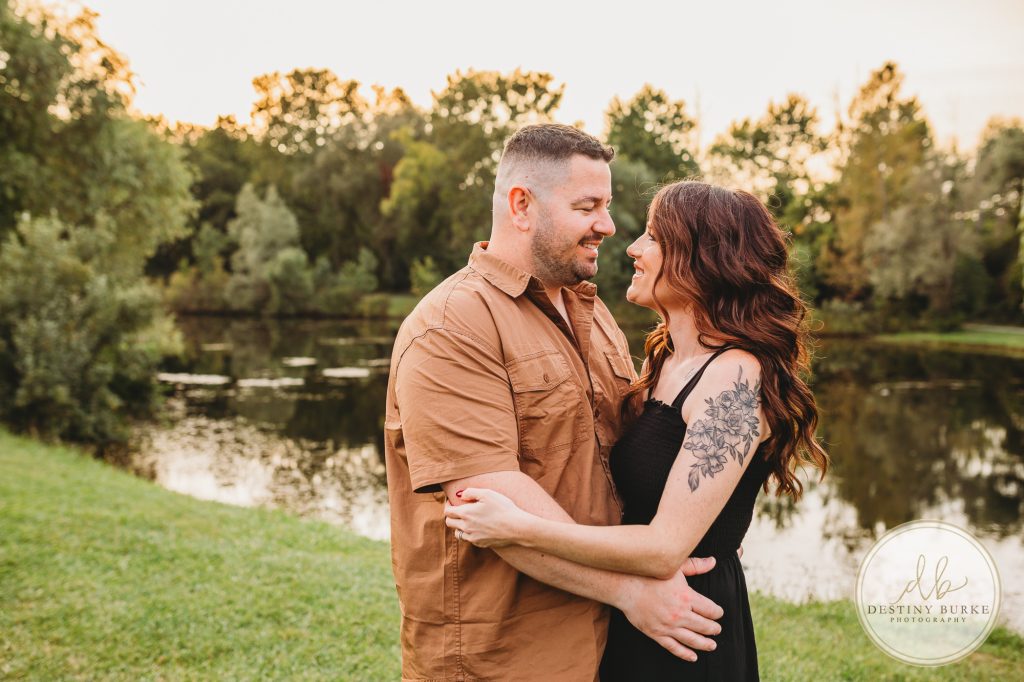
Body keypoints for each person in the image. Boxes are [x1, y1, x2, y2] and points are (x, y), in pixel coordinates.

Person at [445, 180, 830, 680]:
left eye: (652, 237)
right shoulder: (668, 359)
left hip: (687, 625)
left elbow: (664, 547)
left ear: (700, 259)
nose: (632, 248)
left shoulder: (734, 376)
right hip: (639, 614)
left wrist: (516, 527)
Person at [384, 126, 724, 681]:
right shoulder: (451, 327)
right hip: (503, 654)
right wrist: (629, 590)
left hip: (610, 644)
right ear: (522, 205)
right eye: (588, 206)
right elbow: (490, 507)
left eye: (607, 205)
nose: (609, 226)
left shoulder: (592, 310)